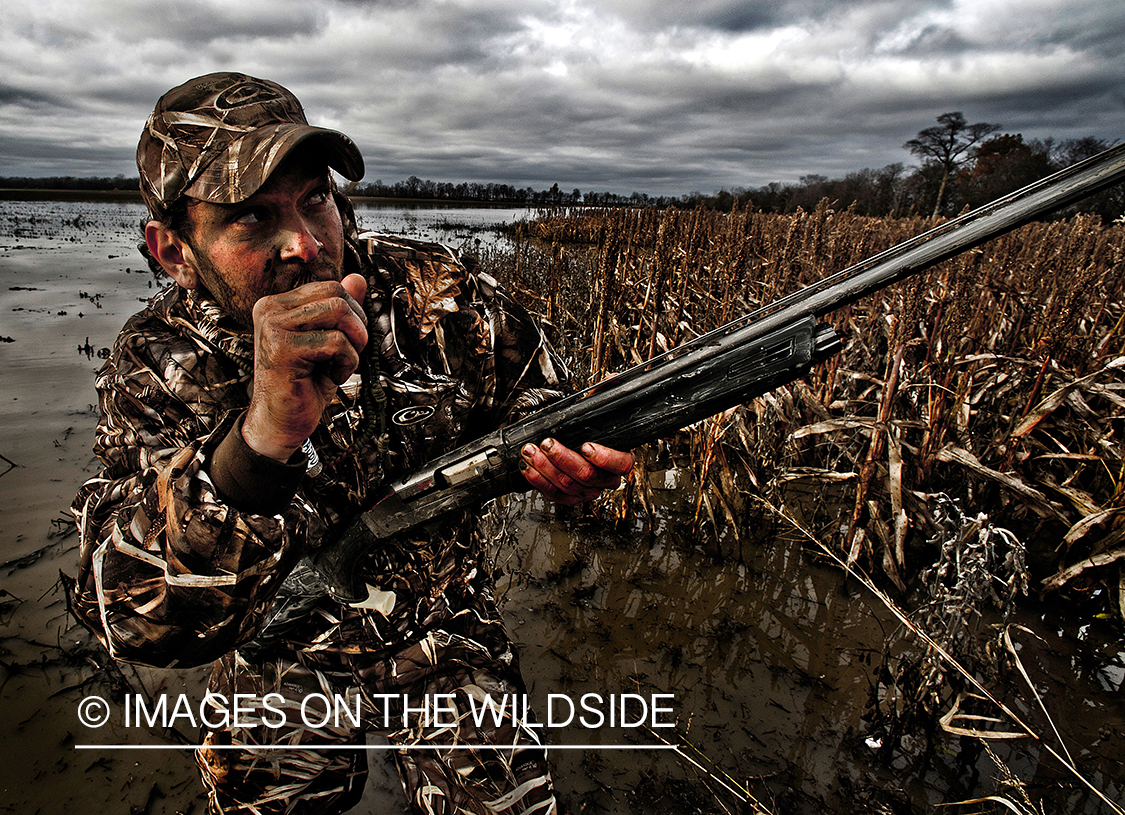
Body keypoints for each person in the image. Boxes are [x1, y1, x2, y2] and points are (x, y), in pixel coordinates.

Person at [68, 71, 634, 815]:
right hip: (280, 645)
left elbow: (540, 392)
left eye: (315, 199)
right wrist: (259, 439)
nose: (304, 242)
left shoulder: (435, 290)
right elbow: (130, 616)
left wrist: (566, 459)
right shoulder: (154, 365)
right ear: (173, 251)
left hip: (444, 622)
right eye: (251, 219)